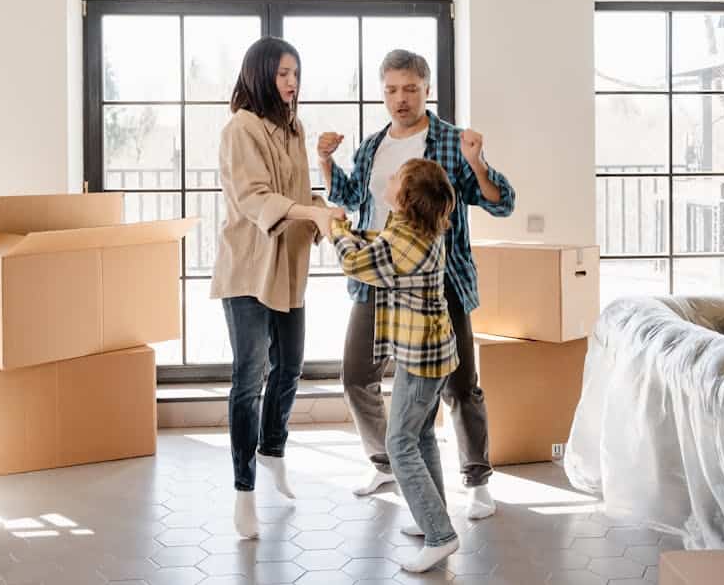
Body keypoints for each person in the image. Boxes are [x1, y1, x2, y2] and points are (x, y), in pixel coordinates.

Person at [319, 49, 516, 520]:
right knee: (356, 375)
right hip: (381, 279)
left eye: (410, 88)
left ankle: (476, 478)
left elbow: (501, 202)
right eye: (390, 90)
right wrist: (325, 160)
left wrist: (479, 164)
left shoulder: (451, 143)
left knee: (461, 384)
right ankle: (386, 461)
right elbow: (348, 196)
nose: (400, 99)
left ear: (427, 89)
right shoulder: (372, 146)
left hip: (439, 283)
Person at [212, 36, 343, 539]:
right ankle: (243, 491)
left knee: (290, 366)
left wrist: (323, 207)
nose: (292, 82)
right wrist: (309, 212)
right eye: (284, 73)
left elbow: (292, 194)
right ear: (261, 74)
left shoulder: (294, 128)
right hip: (248, 269)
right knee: (250, 378)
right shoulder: (239, 128)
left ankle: (272, 452)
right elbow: (253, 197)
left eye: (296, 74)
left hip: (287, 267)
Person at [330, 158, 461, 573]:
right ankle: (432, 521)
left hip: (422, 358)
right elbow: (379, 240)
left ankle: (441, 535)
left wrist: (334, 231)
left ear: (406, 198)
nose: (388, 181)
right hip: (428, 352)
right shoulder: (415, 228)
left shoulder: (406, 241)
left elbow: (356, 263)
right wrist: (349, 228)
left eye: (396, 179)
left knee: (399, 444)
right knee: (420, 436)